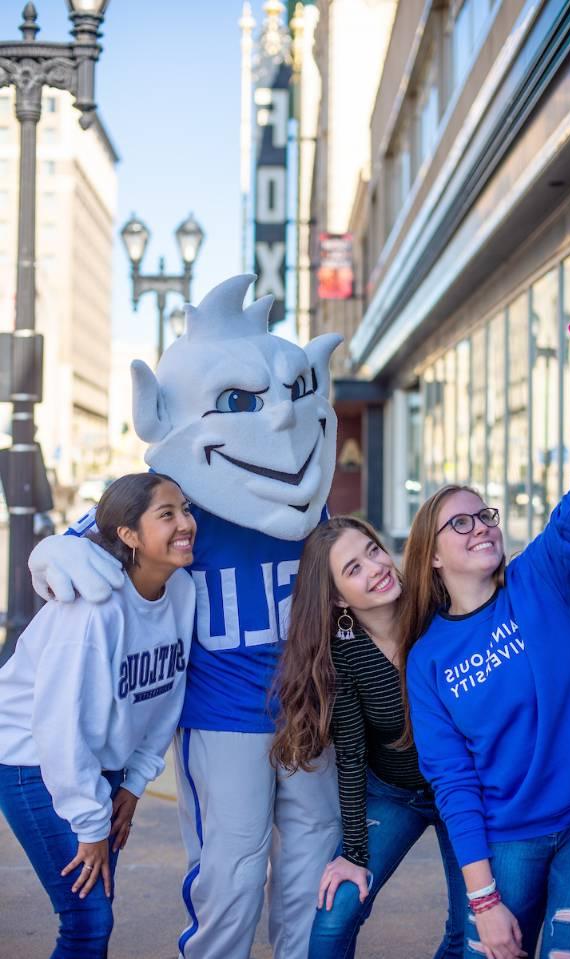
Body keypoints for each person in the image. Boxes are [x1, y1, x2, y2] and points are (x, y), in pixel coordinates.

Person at [27, 275, 343, 959]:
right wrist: (54, 551)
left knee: (312, 869)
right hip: (223, 714)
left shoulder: (311, 504)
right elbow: (91, 535)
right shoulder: (180, 507)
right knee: (231, 874)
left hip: (309, 709)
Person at [402, 330, 570, 959]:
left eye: (486, 515)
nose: (481, 525)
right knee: (487, 950)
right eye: (461, 521)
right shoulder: (428, 660)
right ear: (430, 555)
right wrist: (483, 901)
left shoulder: (541, 580)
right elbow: (452, 781)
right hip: (511, 833)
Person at [0, 472, 196, 959]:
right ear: (129, 535)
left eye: (185, 510)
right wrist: (90, 824)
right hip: (33, 761)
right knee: (87, 920)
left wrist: (133, 782)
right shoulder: (93, 611)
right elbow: (61, 728)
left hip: (94, 763)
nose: (185, 524)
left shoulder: (183, 591)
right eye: (166, 515)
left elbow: (163, 696)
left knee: (95, 911)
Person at [272, 515, 466, 959]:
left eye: (373, 551)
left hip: (463, 791)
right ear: (339, 597)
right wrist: (354, 855)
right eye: (353, 569)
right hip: (394, 792)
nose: (376, 567)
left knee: (470, 931)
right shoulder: (344, 654)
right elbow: (352, 756)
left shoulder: (436, 613)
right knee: (334, 918)